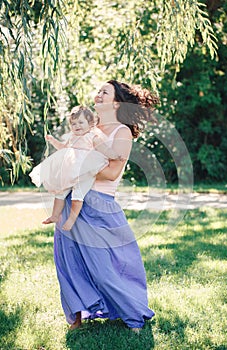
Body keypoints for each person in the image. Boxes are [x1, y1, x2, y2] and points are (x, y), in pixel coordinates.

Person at [53, 80, 160, 332]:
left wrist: (79, 167)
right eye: (98, 90)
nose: (98, 94)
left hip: (99, 204)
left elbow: (112, 173)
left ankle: (133, 316)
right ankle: (76, 319)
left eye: (105, 92)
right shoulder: (86, 126)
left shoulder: (120, 132)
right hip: (72, 200)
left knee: (104, 269)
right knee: (68, 262)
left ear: (116, 102)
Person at [29, 106, 122, 230]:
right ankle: (55, 215)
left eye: (81, 122)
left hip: (85, 171)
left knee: (78, 195)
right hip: (71, 170)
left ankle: (71, 219)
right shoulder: (72, 137)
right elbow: (63, 148)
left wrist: (115, 156)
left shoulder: (92, 137)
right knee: (60, 192)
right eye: (73, 124)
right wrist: (52, 141)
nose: (77, 126)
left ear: (90, 124)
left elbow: (104, 149)